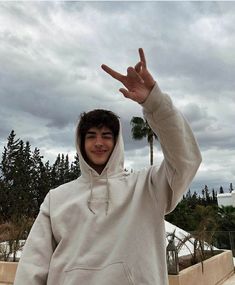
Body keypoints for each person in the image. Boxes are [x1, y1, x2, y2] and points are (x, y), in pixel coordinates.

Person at [14, 48, 201, 285]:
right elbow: (33, 266)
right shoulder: (57, 199)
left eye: (106, 136)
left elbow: (185, 158)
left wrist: (154, 102)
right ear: (81, 142)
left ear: (117, 142)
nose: (99, 143)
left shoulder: (147, 188)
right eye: (91, 136)